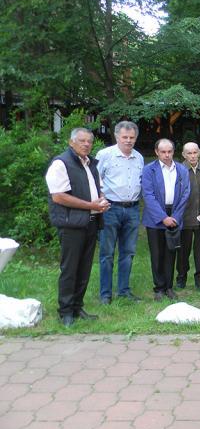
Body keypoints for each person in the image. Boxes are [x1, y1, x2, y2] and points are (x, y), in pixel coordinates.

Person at [46, 128, 108, 327]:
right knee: (70, 269)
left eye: (89, 141)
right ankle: (65, 312)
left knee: (84, 268)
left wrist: (101, 201)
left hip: (90, 222)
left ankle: (76, 307)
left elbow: (94, 190)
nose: (86, 144)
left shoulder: (90, 164)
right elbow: (59, 196)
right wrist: (92, 205)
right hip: (71, 224)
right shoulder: (61, 163)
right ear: (71, 142)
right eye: (82, 141)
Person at [95, 121, 144, 304]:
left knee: (128, 252)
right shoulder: (105, 155)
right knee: (107, 253)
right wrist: (100, 200)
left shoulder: (138, 157)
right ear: (117, 137)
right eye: (125, 137)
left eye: (132, 138)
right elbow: (94, 179)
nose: (128, 141)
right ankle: (105, 294)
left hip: (132, 209)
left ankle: (124, 291)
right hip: (110, 209)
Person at [141, 139, 190, 301]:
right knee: (157, 253)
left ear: (173, 151)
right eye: (163, 152)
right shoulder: (149, 170)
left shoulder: (182, 170)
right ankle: (159, 287)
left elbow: (185, 194)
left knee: (171, 251)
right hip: (156, 216)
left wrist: (175, 217)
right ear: (156, 152)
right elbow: (148, 195)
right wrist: (163, 217)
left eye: (169, 151)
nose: (167, 155)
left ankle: (169, 286)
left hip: (175, 214)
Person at [176, 142, 200, 291]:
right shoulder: (178, 170)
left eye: (195, 152)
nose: (192, 156)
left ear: (199, 153)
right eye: (189, 153)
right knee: (183, 251)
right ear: (183, 154)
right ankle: (181, 278)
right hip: (184, 218)